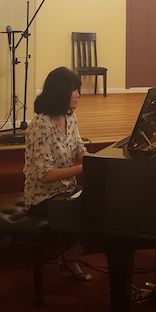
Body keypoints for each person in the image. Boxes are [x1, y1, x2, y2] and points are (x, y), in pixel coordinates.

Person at [23, 66, 91, 281]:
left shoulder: (69, 118)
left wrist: (95, 161)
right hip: (42, 197)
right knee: (94, 213)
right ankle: (70, 257)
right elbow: (44, 174)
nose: (78, 95)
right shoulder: (40, 126)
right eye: (74, 90)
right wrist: (83, 168)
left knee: (104, 206)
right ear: (61, 92)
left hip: (66, 189)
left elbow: (79, 150)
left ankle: (70, 256)